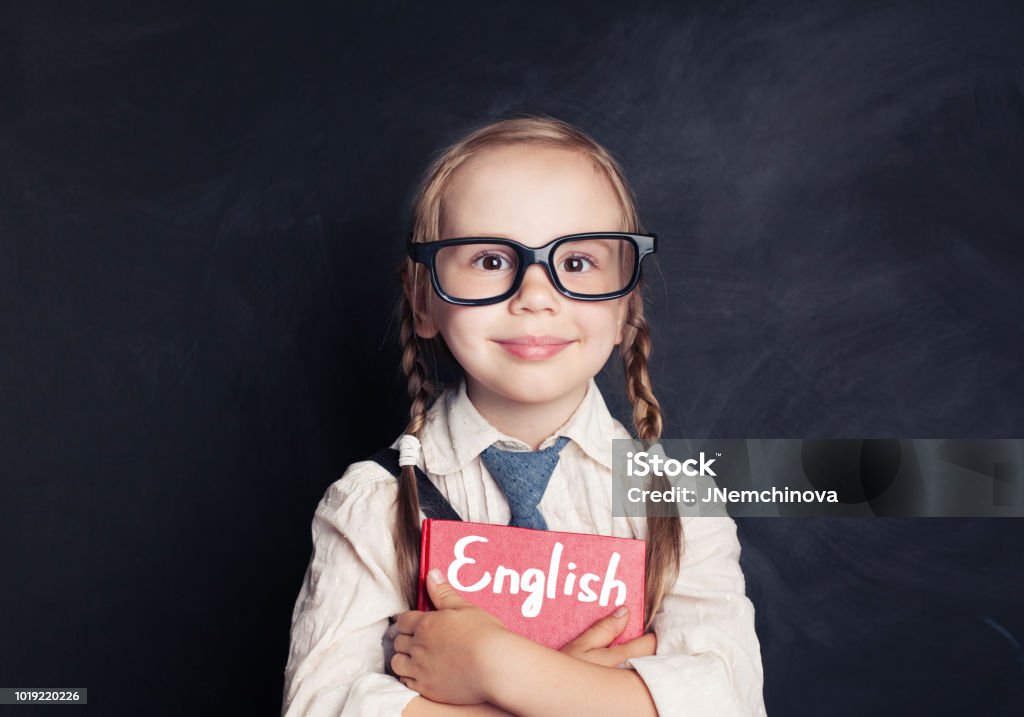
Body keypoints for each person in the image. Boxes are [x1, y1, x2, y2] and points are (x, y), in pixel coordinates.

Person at [282, 115, 766, 716]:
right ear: (423, 299)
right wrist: (583, 694)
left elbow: (726, 705)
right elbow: (319, 709)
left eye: (579, 264)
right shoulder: (371, 506)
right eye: (489, 261)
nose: (535, 294)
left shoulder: (677, 503)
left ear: (625, 306)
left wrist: (492, 664)